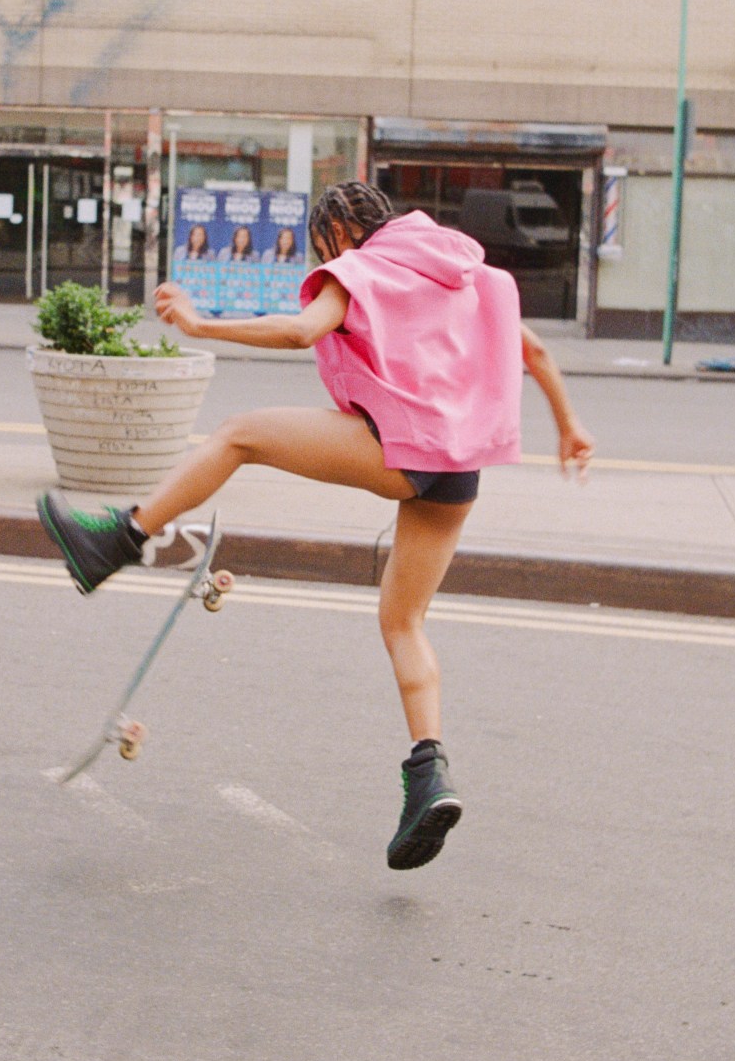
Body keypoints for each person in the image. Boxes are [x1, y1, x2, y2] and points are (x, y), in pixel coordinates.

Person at [38, 182, 594, 873]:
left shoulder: (365, 266)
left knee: (239, 434)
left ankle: (114, 540)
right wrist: (569, 427)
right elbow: (534, 354)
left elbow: (302, 329)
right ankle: (430, 775)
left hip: (400, 447)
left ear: (337, 232)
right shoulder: (463, 270)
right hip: (457, 471)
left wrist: (202, 323)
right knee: (403, 620)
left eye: (319, 242)